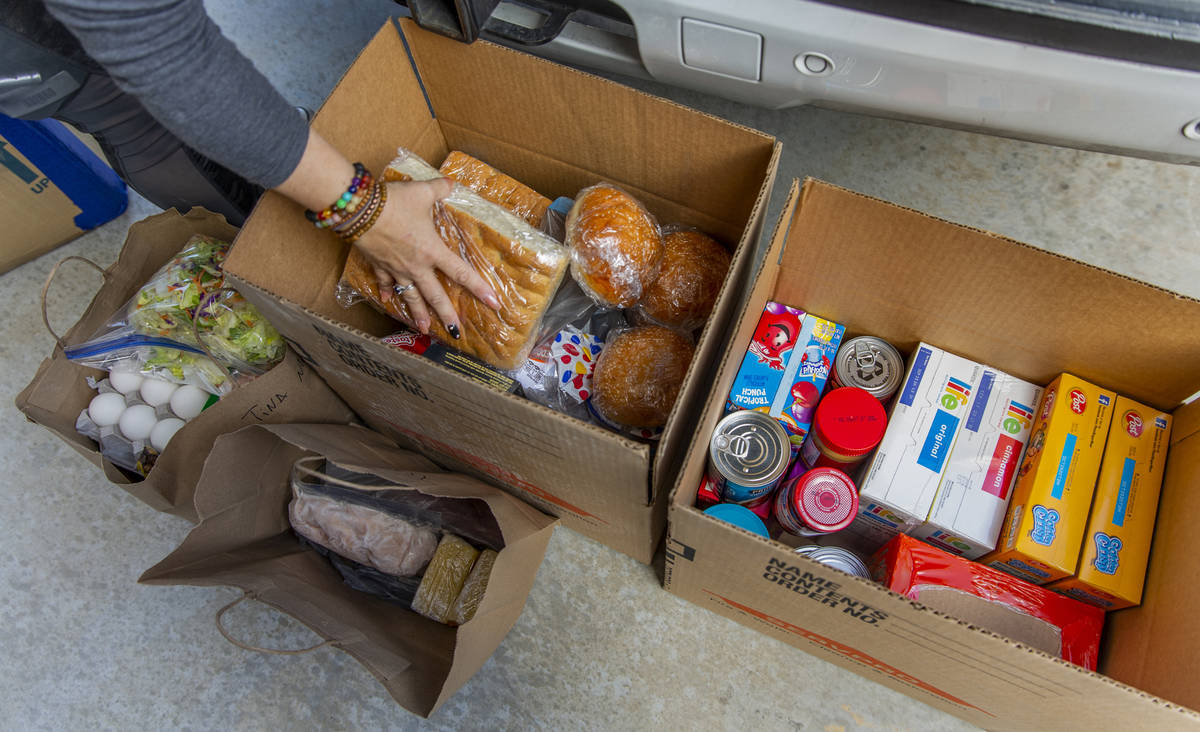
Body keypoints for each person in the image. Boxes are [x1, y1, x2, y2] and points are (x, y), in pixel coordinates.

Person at [13, 0, 499, 338]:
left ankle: (276, 209)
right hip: (34, 42)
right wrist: (363, 212)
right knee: (139, 118)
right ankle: (261, 247)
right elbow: (177, 68)